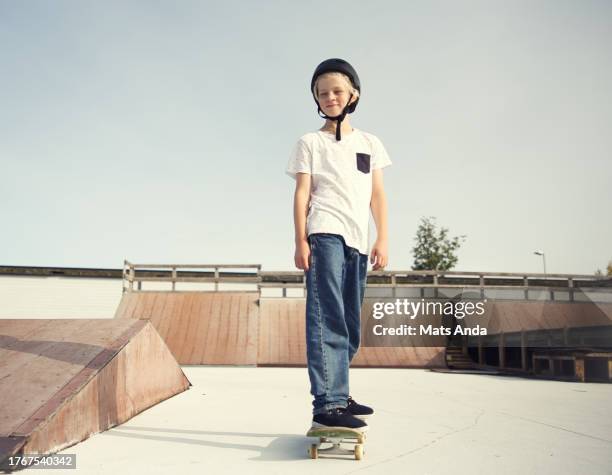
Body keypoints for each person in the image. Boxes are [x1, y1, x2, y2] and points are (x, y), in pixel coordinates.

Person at [286, 58, 391, 432]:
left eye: (336, 91)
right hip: (325, 232)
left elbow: (377, 194)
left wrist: (383, 236)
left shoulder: (370, 143)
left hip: (358, 241)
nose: (329, 98)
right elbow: (302, 194)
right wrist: (300, 240)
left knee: (349, 323)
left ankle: (340, 392)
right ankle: (327, 404)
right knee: (326, 316)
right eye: (322, 93)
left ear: (353, 95)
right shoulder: (310, 142)